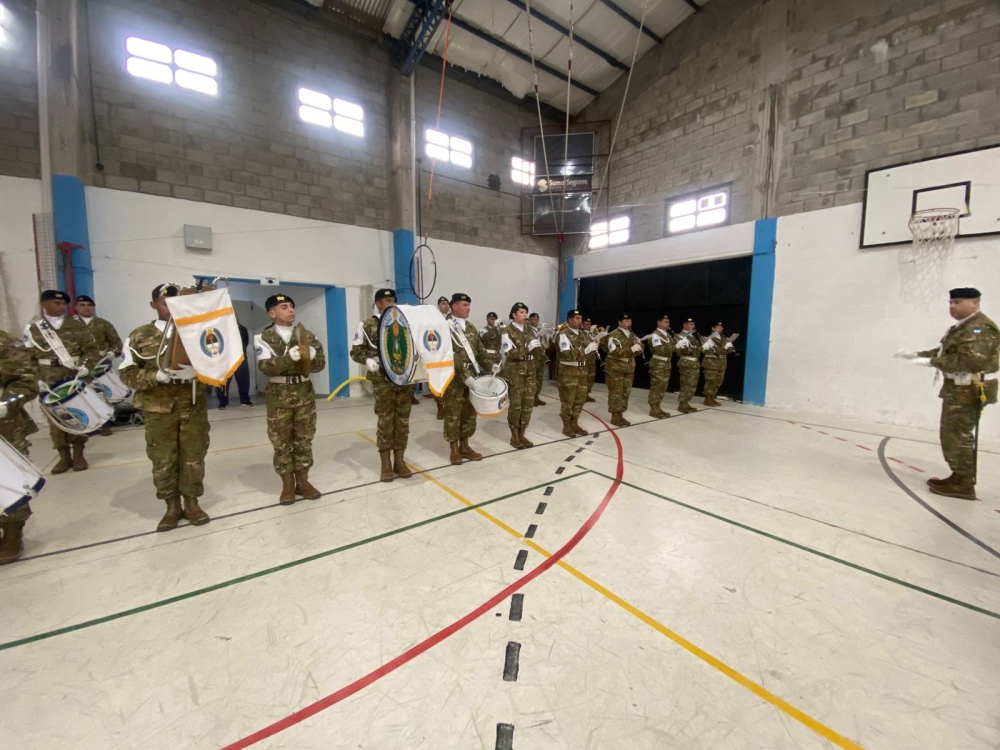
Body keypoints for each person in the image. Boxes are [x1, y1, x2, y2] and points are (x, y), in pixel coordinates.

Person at [119, 284, 211, 531]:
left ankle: (192, 503)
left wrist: (202, 372)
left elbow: (217, 360)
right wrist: (153, 378)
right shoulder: (139, 336)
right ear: (154, 305)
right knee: (163, 459)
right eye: (164, 302)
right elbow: (126, 372)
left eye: (176, 301)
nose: (171, 307)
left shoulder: (198, 331)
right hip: (158, 407)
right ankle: (171, 506)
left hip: (191, 404)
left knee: (194, 457)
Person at [901, 287, 999, 501]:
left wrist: (930, 362)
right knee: (951, 435)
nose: (952, 306)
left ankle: (964, 484)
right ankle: (958, 476)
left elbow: (972, 361)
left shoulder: (980, 328)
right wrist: (918, 355)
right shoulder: (961, 328)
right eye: (951, 303)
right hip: (958, 389)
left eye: (958, 302)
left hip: (969, 390)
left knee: (959, 436)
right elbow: (944, 353)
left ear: (975, 303)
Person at [254, 295, 326, 504]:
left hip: (303, 390)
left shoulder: (307, 335)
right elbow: (265, 367)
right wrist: (288, 358)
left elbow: (321, 364)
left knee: (304, 439)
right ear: (272, 313)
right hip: (278, 394)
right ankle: (287, 485)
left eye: (292, 306)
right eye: (284, 307)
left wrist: (311, 358)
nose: (291, 310)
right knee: (281, 442)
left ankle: (303, 482)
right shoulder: (263, 337)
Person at [23, 290, 101, 473]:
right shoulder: (33, 330)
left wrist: (86, 366)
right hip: (48, 379)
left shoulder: (77, 326)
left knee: (77, 415)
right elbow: (26, 358)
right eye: (55, 303)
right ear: (44, 305)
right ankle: (63, 456)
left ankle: (79, 453)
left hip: (73, 377)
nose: (60, 307)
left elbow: (92, 350)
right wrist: (36, 379)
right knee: (55, 419)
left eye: (63, 304)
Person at [350, 288, 414, 482]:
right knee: (386, 420)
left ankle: (400, 461)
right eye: (387, 300)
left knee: (402, 420)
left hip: (403, 376)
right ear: (378, 303)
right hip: (382, 378)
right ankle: (385, 463)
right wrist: (367, 360)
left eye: (393, 300)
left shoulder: (405, 322)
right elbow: (355, 351)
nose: (391, 303)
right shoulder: (368, 324)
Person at [0, 329, 40, 564]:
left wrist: (5, 402)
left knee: (10, 479)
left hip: (5, 426)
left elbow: (27, 383)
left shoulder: (6, 343)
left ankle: (13, 533)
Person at [444, 293, 496, 464]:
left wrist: (490, 365)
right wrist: (464, 375)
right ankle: (453, 449)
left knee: (469, 412)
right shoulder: (444, 327)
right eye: (465, 305)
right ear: (454, 306)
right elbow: (448, 355)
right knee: (453, 413)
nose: (468, 308)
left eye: (469, 305)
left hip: (472, 377)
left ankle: (465, 445)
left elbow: (479, 351)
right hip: (453, 378)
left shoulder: (471, 328)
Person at [74, 294, 124, 435]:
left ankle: (105, 424)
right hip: (79, 366)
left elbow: (116, 343)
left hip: (100, 365)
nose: (86, 308)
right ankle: (89, 424)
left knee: (103, 394)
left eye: (89, 305)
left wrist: (112, 353)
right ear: (76, 307)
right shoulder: (70, 325)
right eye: (82, 305)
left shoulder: (103, 324)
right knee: (83, 396)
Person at [501, 302, 541, 448]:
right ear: (514, 314)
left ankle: (522, 433)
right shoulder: (507, 331)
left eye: (526, 312)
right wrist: (527, 348)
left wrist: (538, 345)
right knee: (516, 405)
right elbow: (509, 354)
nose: (525, 315)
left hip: (530, 370)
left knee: (528, 403)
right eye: (522, 312)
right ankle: (514, 436)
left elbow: (536, 351)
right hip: (515, 372)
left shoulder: (529, 330)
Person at [556, 309, 593, 437]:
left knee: (580, 399)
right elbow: (566, 354)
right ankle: (566, 425)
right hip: (568, 372)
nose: (580, 321)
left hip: (582, 372)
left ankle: (575, 423)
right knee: (568, 400)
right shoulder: (563, 334)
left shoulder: (583, 334)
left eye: (580, 318)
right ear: (569, 320)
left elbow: (588, 352)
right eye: (577, 318)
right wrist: (585, 351)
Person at [604, 313, 643, 427]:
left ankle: (620, 414)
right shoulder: (613, 335)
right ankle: (614, 416)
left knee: (626, 392)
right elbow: (614, 351)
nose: (629, 323)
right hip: (615, 368)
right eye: (626, 321)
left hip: (628, 367)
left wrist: (639, 347)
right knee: (616, 392)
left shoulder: (632, 334)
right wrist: (631, 350)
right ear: (620, 322)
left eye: (630, 321)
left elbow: (640, 348)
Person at [217, 321, 253, 409]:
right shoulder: (219, 329)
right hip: (225, 359)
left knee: (243, 380)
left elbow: (246, 342)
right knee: (223, 382)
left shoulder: (242, 328)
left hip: (240, 358)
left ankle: (245, 400)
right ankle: (223, 402)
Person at [701, 322, 736, 407]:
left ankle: (712, 397)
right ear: (713, 329)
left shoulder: (724, 339)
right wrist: (724, 348)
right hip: (711, 362)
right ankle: (707, 398)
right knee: (711, 381)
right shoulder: (707, 339)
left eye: (721, 328)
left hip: (722, 362)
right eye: (718, 327)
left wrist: (729, 347)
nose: (720, 329)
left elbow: (728, 351)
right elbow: (715, 351)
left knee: (718, 381)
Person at [647, 314, 676, 418]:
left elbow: (673, 348)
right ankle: (653, 408)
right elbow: (659, 349)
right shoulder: (655, 335)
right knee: (656, 386)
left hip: (667, 363)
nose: (668, 324)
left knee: (663, 386)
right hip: (658, 363)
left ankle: (658, 407)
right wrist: (675, 346)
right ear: (659, 323)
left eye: (668, 322)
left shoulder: (668, 336)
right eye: (665, 322)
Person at [430, 295, 452, 419]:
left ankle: (449, 406)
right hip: (438, 354)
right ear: (439, 305)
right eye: (443, 303)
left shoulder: (452, 318)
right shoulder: (434, 318)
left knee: (450, 381)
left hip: (450, 354)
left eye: (447, 303)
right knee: (438, 380)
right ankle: (440, 407)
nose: (446, 305)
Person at [674, 318, 703, 414]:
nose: (692, 326)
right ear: (684, 325)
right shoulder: (679, 336)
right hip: (686, 363)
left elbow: (697, 350)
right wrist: (698, 349)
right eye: (690, 324)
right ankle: (682, 404)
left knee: (692, 385)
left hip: (694, 363)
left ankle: (686, 402)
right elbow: (682, 351)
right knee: (686, 384)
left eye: (693, 324)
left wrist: (701, 348)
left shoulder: (692, 337)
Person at [527, 312, 547, 406]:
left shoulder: (540, 330)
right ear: (530, 320)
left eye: (537, 320)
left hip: (541, 357)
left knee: (539, 379)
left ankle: (537, 397)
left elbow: (546, 345)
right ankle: (531, 399)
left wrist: (546, 336)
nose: (536, 321)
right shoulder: (527, 330)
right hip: (532, 358)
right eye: (534, 319)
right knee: (532, 379)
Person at [582, 317, 598, 403]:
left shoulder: (592, 334)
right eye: (587, 324)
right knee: (584, 378)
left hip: (592, 358)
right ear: (583, 325)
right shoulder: (581, 334)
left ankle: (587, 394)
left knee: (591, 377)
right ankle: (582, 395)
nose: (589, 325)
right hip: (585, 358)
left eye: (590, 324)